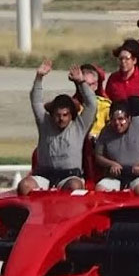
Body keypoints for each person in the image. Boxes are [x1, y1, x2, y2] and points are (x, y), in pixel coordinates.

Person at [16, 60, 96, 195]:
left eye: (65, 115)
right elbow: (36, 101)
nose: (61, 119)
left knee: (75, 186)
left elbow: (92, 104)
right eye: (58, 115)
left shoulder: (79, 126)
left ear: (71, 115)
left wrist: (81, 82)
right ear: (52, 114)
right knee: (24, 185)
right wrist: (39, 77)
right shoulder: (44, 122)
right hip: (44, 175)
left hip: (69, 177)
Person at [94, 101, 139, 198]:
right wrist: (111, 164)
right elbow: (98, 156)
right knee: (100, 189)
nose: (117, 123)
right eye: (113, 120)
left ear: (129, 118)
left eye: (121, 119)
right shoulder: (106, 131)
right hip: (117, 175)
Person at [78, 63, 111, 139]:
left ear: (96, 85)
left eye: (89, 85)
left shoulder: (105, 106)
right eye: (82, 85)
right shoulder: (73, 105)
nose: (85, 89)